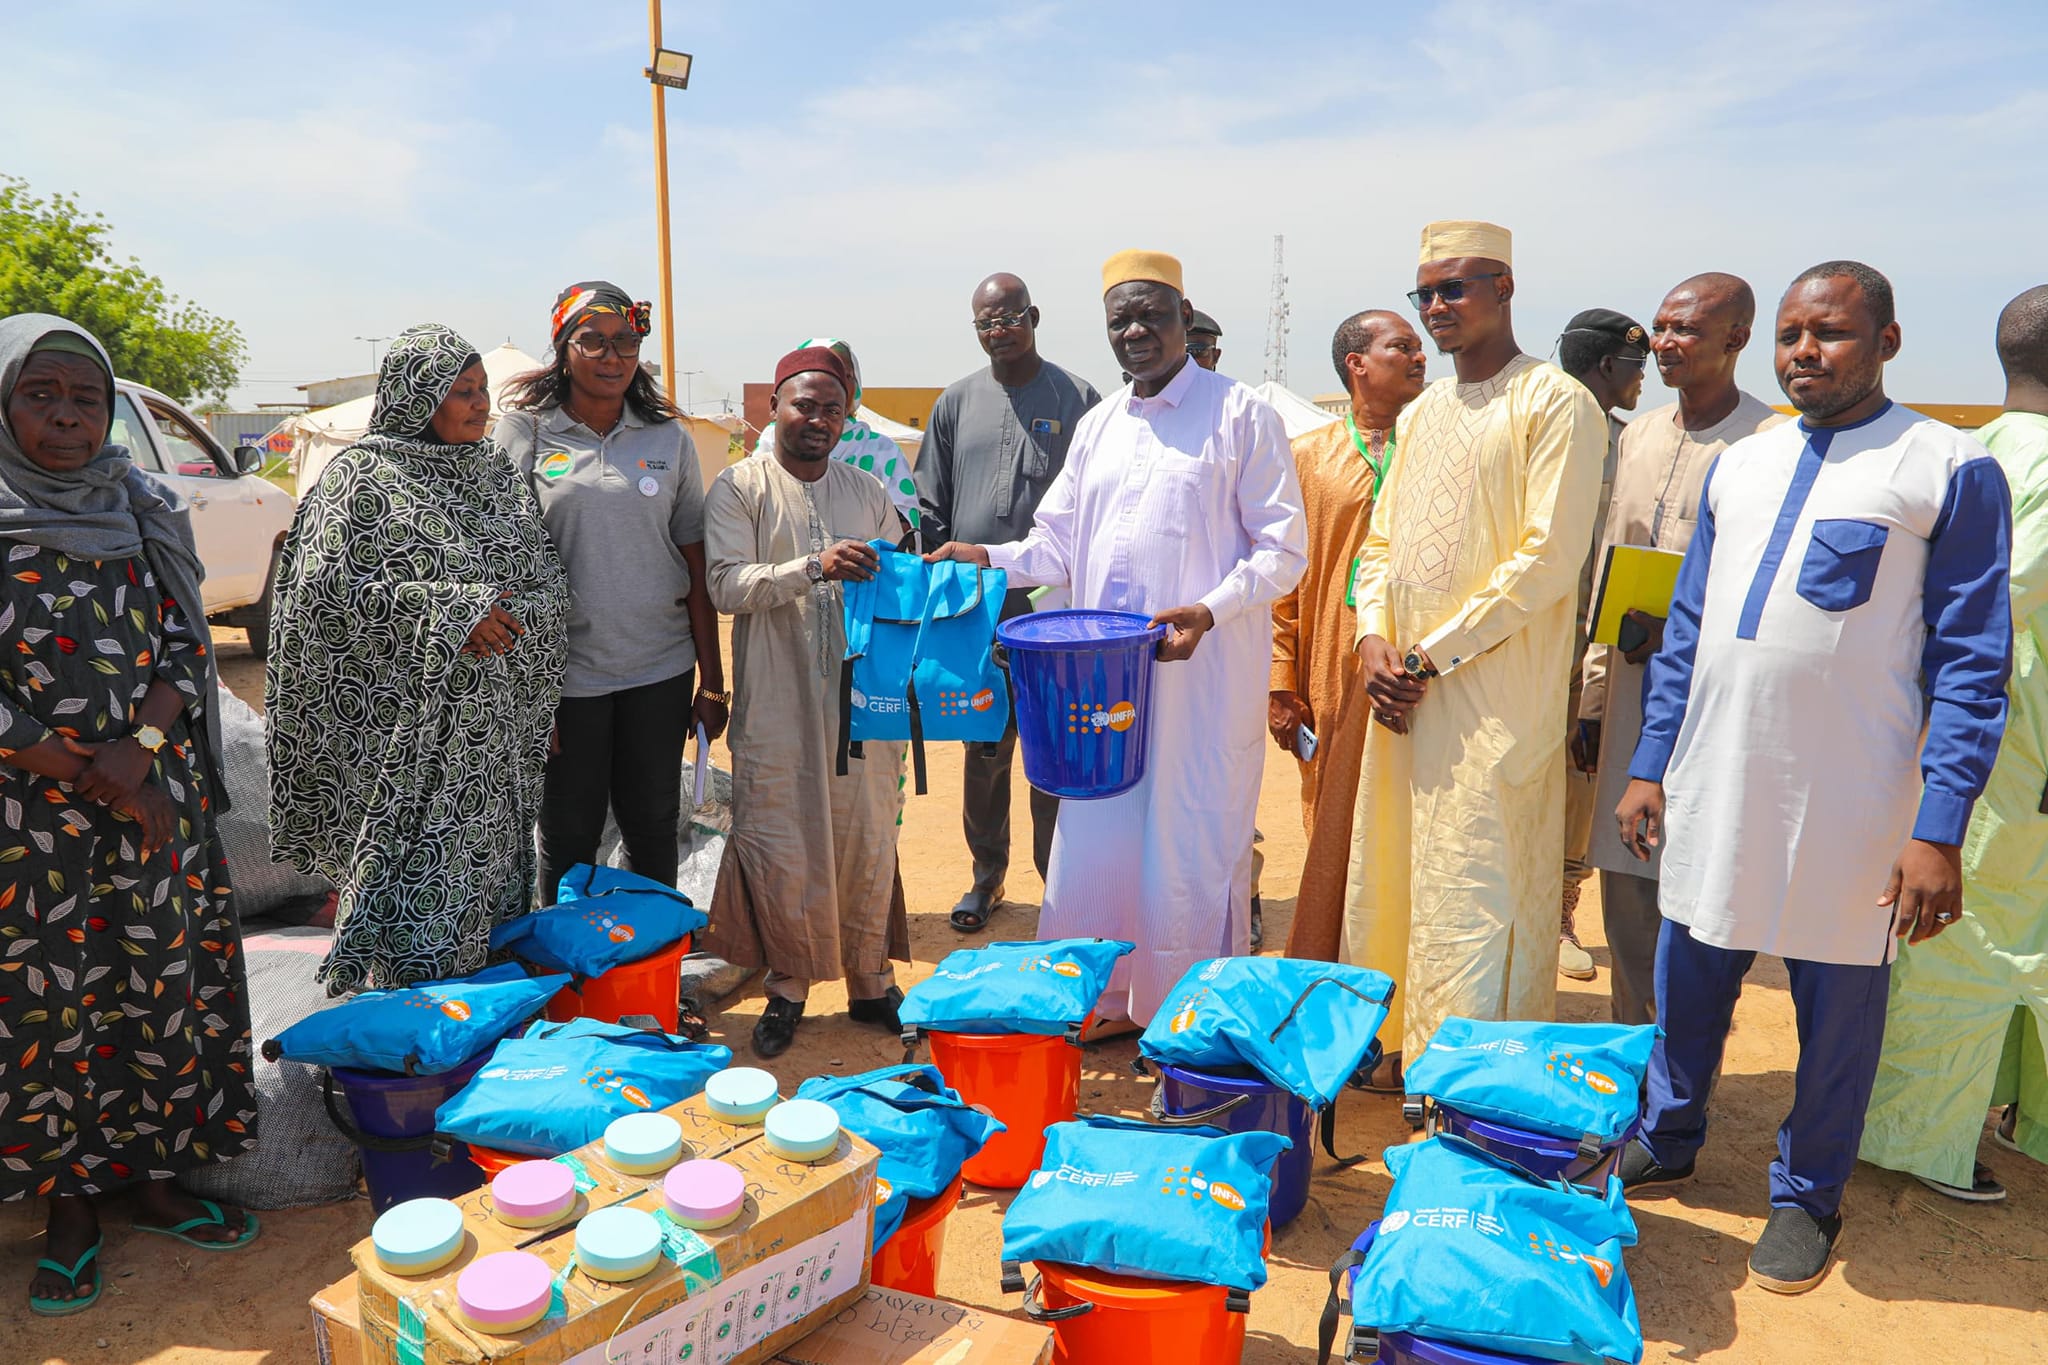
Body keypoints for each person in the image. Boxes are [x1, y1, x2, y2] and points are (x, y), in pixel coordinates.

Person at [1615, 262, 2013, 1293]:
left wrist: (1935, 826)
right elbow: (1690, 630)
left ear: (1884, 341)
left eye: (1827, 333)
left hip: (1853, 801)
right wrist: (1650, 765)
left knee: (1836, 1008)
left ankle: (1804, 1196)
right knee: (1689, 967)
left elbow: (1971, 660)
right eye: (1789, 334)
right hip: (1715, 774)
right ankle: (1668, 1133)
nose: (1802, 352)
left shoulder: (1944, 465)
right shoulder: (1740, 466)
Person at [928, 250, 1306, 1031]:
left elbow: (1284, 550)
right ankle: (1098, 998)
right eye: (1119, 321)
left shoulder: (1240, 415)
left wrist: (1208, 607)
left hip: (1202, 682)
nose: (1135, 331)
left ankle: (1182, 1017)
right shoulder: (1099, 424)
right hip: (1106, 692)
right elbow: (1058, 547)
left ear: (1184, 315)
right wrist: (988, 557)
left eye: (1151, 315)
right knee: (1098, 841)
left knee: (1188, 847)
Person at [0, 314, 259, 1314]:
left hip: (152, 799)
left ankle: (156, 1182)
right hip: (30, 819)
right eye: (40, 395)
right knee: (50, 1009)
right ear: (7, 399)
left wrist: (139, 752)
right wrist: (84, 768)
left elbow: (188, 649)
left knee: (159, 981)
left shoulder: (147, 503)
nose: (66, 417)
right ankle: (67, 1208)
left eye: (86, 399)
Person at [1343, 220, 1607, 1081]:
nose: (1436, 307)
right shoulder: (1420, 414)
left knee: (1478, 889)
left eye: (1454, 288)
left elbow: (1548, 557)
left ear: (1505, 287)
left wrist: (1429, 656)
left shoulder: (1557, 400)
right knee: (1401, 878)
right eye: (1425, 293)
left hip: (1494, 698)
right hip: (1404, 694)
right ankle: (1398, 1049)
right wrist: (1375, 638)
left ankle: (1467, 1082)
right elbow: (1380, 544)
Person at [269, 324, 570, 993]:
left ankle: (486, 1024)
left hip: (493, 740)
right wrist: (451, 612)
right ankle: (409, 1038)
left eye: (483, 390)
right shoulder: (361, 481)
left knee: (493, 886)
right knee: (416, 900)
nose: (479, 404)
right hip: (408, 749)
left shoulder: (494, 475)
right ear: (415, 397)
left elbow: (543, 576)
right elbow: (316, 599)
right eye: (460, 392)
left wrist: (535, 679)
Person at [1862, 283, 2048, 1203]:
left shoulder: (1969, 454)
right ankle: (1919, 1137)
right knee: (1973, 948)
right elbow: (2003, 610)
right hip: (2016, 762)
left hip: (1958, 746)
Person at [1575, 275, 1786, 1024]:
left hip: (1718, 697)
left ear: (1736, 339)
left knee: (1701, 879)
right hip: (1633, 690)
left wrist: (1689, 629)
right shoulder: (1639, 433)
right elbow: (1611, 561)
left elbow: (1776, 582)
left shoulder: (1772, 444)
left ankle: (1684, 1067)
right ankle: (1636, 1055)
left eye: (1685, 330)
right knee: (1627, 884)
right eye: (1660, 327)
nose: (1665, 343)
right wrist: (1595, 701)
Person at [495, 281, 728, 905]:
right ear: (563, 348)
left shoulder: (667, 439)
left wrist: (711, 682)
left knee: (653, 829)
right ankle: (571, 992)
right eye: (592, 341)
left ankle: (654, 980)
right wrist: (526, 689)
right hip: (566, 679)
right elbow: (503, 565)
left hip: (659, 668)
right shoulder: (526, 433)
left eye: (624, 341)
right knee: (568, 837)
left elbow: (695, 560)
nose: (611, 356)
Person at [705, 346, 908, 1058]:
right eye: (805, 404)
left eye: (832, 408)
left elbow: (902, 584)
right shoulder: (739, 487)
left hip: (862, 705)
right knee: (783, 839)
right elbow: (726, 584)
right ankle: (788, 986)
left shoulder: (867, 492)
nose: (818, 419)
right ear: (774, 408)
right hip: (779, 702)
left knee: (865, 833)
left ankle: (870, 979)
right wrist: (812, 568)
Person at [915, 272, 1100, 933]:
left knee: (1054, 751)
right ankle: (986, 877)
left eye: (1009, 318)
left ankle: (1060, 885)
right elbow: (929, 503)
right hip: (977, 610)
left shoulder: (1080, 399)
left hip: (1055, 614)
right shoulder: (955, 401)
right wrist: (948, 591)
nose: (999, 331)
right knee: (983, 749)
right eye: (986, 323)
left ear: (1035, 316)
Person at [1271, 310, 1428, 962]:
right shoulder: (1309, 457)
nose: (1420, 356)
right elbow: (1285, 581)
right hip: (1332, 671)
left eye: (1421, 347)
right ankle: (1335, 970)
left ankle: (1402, 972)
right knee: (1334, 821)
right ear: (1357, 364)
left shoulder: (1438, 449)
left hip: (1420, 668)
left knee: (1413, 822)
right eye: (1403, 346)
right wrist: (1280, 682)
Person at [1553, 308, 1648, 983]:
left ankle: (1559, 914)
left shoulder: (1632, 441)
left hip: (1597, 642)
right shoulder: (1545, 422)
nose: (1644, 379)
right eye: (1636, 367)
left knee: (1582, 783)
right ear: (1607, 367)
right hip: (1533, 638)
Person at [752, 338, 922, 540]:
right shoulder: (770, 442)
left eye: (845, 375)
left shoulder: (881, 450)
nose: (834, 381)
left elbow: (903, 529)